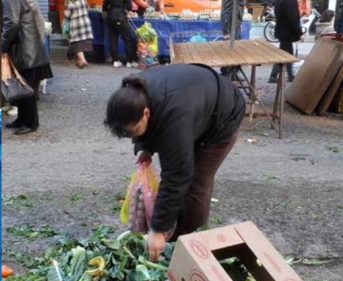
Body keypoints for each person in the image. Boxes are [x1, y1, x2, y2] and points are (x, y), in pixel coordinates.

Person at [103, 64, 245, 260]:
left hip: (224, 114)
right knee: (182, 169)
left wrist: (158, 230)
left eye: (133, 132)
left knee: (196, 180)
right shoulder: (132, 93)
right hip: (194, 104)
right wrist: (144, 146)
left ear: (145, 113)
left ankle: (192, 244)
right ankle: (174, 229)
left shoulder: (174, 117)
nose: (131, 136)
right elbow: (148, 125)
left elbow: (177, 175)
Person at [2, 0, 54, 135]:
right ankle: (22, 119)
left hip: (25, 49)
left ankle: (31, 123)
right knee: (23, 85)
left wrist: (1, 46)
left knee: (26, 87)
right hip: (26, 47)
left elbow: (11, 23)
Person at [268, 0, 301, 83]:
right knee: (284, 54)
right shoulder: (289, 2)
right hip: (287, 32)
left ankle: (290, 75)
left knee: (287, 53)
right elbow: (292, 18)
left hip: (282, 31)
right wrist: (299, 32)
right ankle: (273, 76)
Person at [103, 0, 137, 68]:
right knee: (129, 39)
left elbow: (104, 6)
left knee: (113, 40)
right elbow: (129, 7)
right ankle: (129, 61)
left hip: (110, 17)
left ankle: (115, 61)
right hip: (120, 17)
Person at [64, 0, 94, 69]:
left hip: (77, 24)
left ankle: (83, 60)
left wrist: (66, 6)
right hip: (85, 23)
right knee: (81, 42)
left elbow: (67, 15)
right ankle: (81, 61)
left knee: (75, 43)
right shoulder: (83, 1)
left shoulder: (71, 3)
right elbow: (87, 9)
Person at [220, 0, 245, 78]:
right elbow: (226, 12)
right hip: (230, 26)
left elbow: (239, 8)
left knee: (238, 50)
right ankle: (226, 74)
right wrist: (226, 31)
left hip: (236, 24)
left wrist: (239, 23)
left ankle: (234, 73)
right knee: (228, 51)